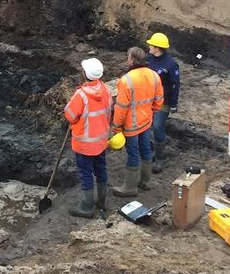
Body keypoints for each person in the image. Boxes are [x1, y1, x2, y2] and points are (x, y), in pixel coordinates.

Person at [111, 46, 164, 197]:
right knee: (146, 149)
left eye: (128, 57)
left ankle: (129, 187)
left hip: (131, 126)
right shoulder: (154, 75)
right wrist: (150, 112)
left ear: (133, 60)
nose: (127, 60)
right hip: (146, 121)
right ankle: (145, 182)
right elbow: (159, 99)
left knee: (133, 154)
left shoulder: (126, 80)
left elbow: (121, 108)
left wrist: (116, 126)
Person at [63, 58, 112, 218]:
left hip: (84, 145)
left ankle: (86, 208)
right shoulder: (105, 89)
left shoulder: (81, 94)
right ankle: (102, 202)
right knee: (101, 171)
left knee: (85, 175)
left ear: (85, 74)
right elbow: (108, 111)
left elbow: (70, 115)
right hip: (101, 141)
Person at [145, 32, 180, 173]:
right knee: (147, 126)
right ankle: (151, 151)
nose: (149, 47)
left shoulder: (170, 64)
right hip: (148, 99)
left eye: (151, 45)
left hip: (162, 101)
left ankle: (159, 158)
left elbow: (175, 84)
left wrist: (173, 104)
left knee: (158, 126)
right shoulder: (149, 59)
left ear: (157, 48)